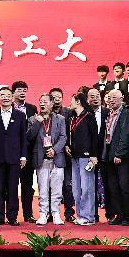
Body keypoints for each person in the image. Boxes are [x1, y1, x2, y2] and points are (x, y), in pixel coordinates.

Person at [0, 86, 27, 226]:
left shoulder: (20, 115)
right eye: (2, 95)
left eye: (8, 95)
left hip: (14, 157)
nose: (5, 97)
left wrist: (23, 156)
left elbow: (23, 137)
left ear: (12, 97)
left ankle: (12, 217)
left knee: (12, 188)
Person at [27, 94, 67, 225]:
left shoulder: (60, 119)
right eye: (41, 101)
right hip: (41, 158)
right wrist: (38, 122)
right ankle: (43, 213)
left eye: (45, 102)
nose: (42, 104)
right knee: (43, 189)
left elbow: (63, 137)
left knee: (57, 189)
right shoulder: (33, 119)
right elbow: (29, 137)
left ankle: (56, 213)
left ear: (52, 104)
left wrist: (55, 149)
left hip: (57, 158)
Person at [103, 89, 129, 226]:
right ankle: (119, 214)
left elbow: (125, 135)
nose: (111, 101)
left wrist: (119, 153)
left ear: (122, 99)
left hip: (121, 155)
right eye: (109, 98)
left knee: (124, 186)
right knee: (113, 187)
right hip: (109, 154)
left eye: (114, 98)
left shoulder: (125, 113)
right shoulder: (109, 113)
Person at [67, 92, 99, 226]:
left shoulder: (89, 116)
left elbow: (95, 137)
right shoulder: (72, 117)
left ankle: (89, 216)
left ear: (78, 101)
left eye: (72, 100)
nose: (70, 103)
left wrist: (93, 155)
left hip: (86, 156)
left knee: (87, 187)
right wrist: (67, 146)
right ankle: (80, 215)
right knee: (77, 188)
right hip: (74, 155)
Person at [11, 80, 37, 223]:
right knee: (11, 185)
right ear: (13, 92)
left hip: (28, 153)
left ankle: (28, 214)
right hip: (11, 153)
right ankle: (12, 215)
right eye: (19, 90)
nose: (22, 93)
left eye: (24, 90)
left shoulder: (32, 109)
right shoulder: (7, 108)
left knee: (27, 186)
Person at [50, 87, 75, 222]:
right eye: (54, 97)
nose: (57, 99)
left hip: (66, 154)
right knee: (49, 185)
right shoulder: (45, 113)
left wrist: (67, 145)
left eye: (59, 97)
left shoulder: (69, 112)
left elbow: (72, 131)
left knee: (67, 185)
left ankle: (69, 212)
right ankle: (50, 213)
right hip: (49, 154)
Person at [87, 88, 108, 223]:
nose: (95, 98)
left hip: (106, 153)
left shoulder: (107, 112)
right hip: (89, 154)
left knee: (109, 184)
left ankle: (111, 214)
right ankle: (92, 214)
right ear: (87, 99)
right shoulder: (85, 113)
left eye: (97, 96)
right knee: (90, 186)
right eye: (92, 96)